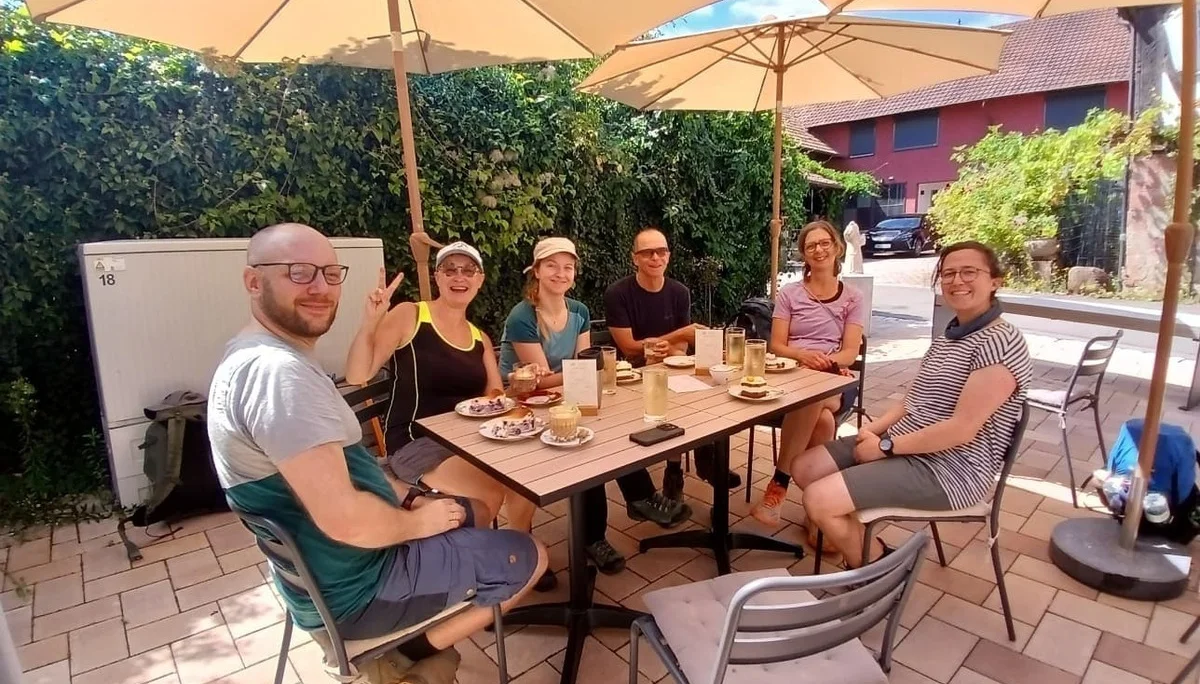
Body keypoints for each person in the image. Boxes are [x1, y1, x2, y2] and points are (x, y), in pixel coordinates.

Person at [207, 224, 547, 683]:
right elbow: (345, 519)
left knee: (483, 504)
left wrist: (410, 501)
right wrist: (415, 523)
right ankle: (405, 652)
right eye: (299, 273)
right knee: (528, 552)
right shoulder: (278, 376)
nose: (320, 287)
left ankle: (439, 613)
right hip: (360, 586)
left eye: (329, 273)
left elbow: (350, 470)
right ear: (253, 281)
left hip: (337, 567)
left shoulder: (263, 359)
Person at [792, 241, 1031, 568]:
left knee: (818, 499)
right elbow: (910, 402)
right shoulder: (950, 337)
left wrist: (886, 446)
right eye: (948, 274)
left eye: (969, 272)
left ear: (995, 282)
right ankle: (861, 539)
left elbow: (962, 429)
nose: (957, 281)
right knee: (805, 467)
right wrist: (870, 432)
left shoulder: (1000, 341)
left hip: (951, 469)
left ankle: (878, 569)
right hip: (905, 448)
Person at [343, 240, 558, 592]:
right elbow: (357, 373)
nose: (460, 277)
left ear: (480, 279)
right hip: (415, 441)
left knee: (526, 474)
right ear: (438, 278)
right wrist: (370, 323)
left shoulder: (479, 338)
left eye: (468, 270)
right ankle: (482, 572)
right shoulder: (411, 315)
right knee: (493, 489)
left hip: (469, 440)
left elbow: (495, 396)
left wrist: (524, 381)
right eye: (450, 270)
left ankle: (516, 553)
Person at [499, 237, 690, 574]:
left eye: (568, 267)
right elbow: (540, 381)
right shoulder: (522, 316)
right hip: (523, 406)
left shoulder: (579, 311)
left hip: (565, 398)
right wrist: (582, 372)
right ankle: (597, 534)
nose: (561, 273)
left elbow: (584, 364)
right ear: (537, 271)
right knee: (587, 450)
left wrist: (583, 373)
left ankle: (639, 498)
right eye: (552, 266)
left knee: (610, 429)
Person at [603, 227, 742, 501]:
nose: (655, 257)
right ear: (635, 258)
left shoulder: (679, 292)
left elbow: (683, 347)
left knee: (706, 395)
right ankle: (689, 466)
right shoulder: (617, 293)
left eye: (661, 251)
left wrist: (670, 346)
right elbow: (629, 347)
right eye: (647, 253)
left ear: (669, 256)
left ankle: (697, 463)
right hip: (633, 376)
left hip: (669, 367)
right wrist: (676, 337)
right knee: (670, 401)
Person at [751, 221, 864, 530]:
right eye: (811, 245)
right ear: (803, 254)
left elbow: (850, 353)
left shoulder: (852, 298)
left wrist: (823, 361)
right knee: (822, 419)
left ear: (837, 247)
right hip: (791, 373)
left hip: (831, 376)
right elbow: (777, 344)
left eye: (825, 242)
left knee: (811, 396)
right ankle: (817, 507)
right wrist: (803, 356)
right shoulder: (790, 294)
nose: (819, 249)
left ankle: (779, 484)